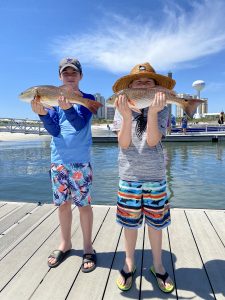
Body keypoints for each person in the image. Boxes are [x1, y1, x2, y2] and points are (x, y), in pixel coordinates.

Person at [112, 62, 175, 293]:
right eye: (138, 82)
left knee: (156, 224)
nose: (143, 85)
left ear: (156, 87)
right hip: (128, 174)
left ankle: (157, 264)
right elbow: (124, 143)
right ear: (130, 87)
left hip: (155, 175)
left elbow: (152, 141)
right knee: (129, 224)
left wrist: (155, 111)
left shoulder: (163, 107)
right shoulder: (121, 107)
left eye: (149, 81)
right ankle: (129, 262)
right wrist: (126, 116)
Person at [31, 57, 96, 272]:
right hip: (58, 161)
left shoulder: (87, 98)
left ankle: (88, 247)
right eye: (65, 73)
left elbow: (78, 125)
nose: (69, 76)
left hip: (80, 161)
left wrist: (68, 108)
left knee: (84, 205)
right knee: (63, 205)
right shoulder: (51, 100)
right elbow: (55, 130)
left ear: (80, 76)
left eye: (73, 72)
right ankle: (65, 243)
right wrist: (43, 114)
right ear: (59, 76)